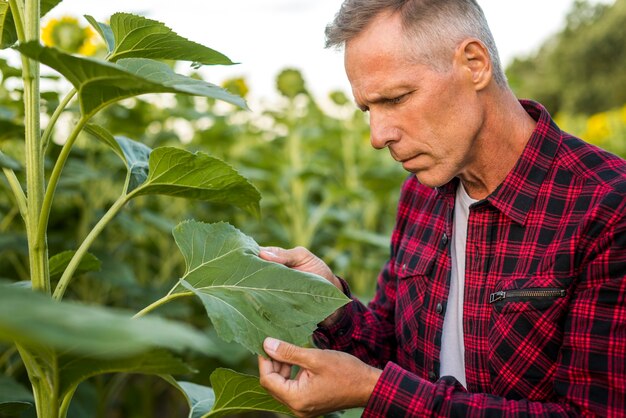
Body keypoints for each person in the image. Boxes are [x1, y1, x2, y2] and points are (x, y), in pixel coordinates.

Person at [257, 0, 626, 416]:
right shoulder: (421, 195)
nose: (377, 136)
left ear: (474, 64)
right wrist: (326, 303)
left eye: (396, 99)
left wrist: (375, 391)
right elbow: (394, 352)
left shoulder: (608, 207)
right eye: (368, 109)